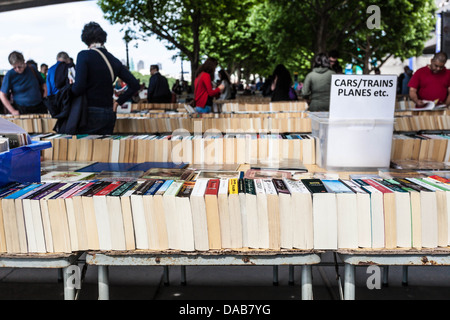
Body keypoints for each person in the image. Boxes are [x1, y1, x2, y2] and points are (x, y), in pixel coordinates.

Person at [71, 21, 139, 134]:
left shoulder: (84, 55)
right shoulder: (113, 59)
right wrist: (118, 102)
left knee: (89, 149)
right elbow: (135, 84)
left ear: (85, 39)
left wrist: (69, 89)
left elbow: (78, 88)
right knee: (106, 148)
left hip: (90, 112)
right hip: (109, 112)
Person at [0, 51, 47, 115]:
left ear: (24, 61)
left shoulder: (32, 68)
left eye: (19, 66)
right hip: (21, 109)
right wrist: (12, 110)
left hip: (39, 107)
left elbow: (43, 84)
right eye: (14, 67)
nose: (17, 69)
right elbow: (2, 95)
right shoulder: (10, 75)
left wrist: (45, 99)